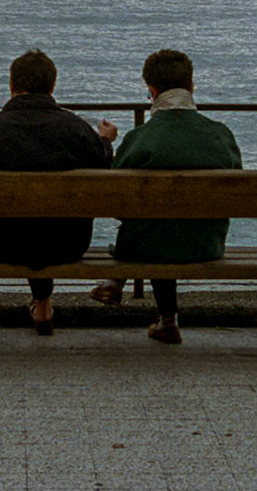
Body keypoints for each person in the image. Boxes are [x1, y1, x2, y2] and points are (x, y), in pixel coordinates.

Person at [0, 48, 118, 335]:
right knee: (42, 224)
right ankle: (43, 304)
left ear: (11, 87)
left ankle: (42, 303)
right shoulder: (77, 129)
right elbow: (105, 168)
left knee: (24, 225)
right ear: (52, 87)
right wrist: (106, 141)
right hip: (67, 243)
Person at [90, 49, 242, 344]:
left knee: (155, 226)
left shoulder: (140, 139)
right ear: (191, 87)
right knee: (167, 223)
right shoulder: (221, 135)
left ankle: (126, 287)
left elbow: (114, 200)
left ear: (152, 90)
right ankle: (166, 319)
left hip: (146, 246)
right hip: (206, 245)